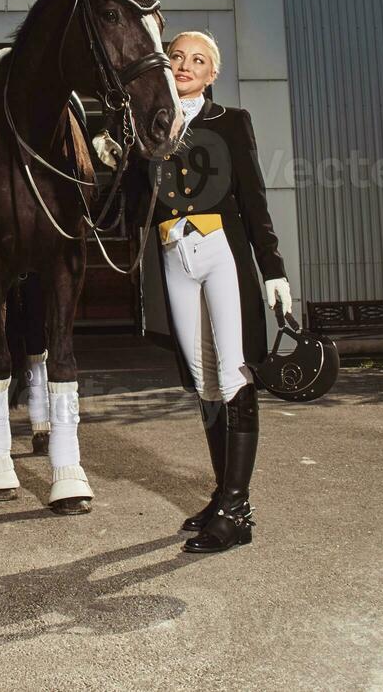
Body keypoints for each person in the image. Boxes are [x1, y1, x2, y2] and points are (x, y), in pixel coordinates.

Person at [121, 30, 293, 554]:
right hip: (174, 255)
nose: (185, 65)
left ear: (212, 74)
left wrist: (273, 269)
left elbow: (254, 198)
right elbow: (136, 205)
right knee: (202, 378)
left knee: (233, 371)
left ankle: (237, 510)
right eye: (177, 57)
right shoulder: (148, 124)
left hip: (223, 252)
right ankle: (223, 494)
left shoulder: (232, 122)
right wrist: (122, 154)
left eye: (198, 60)